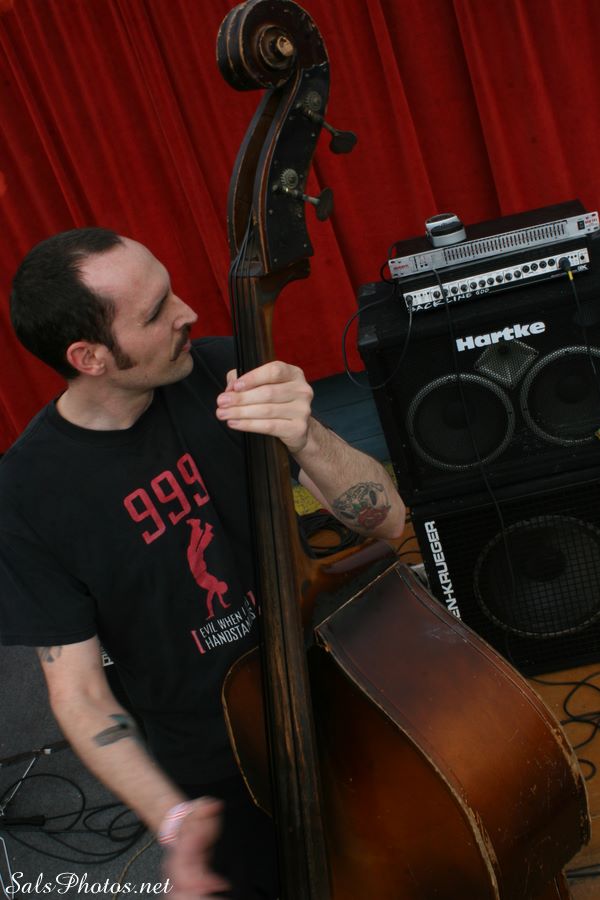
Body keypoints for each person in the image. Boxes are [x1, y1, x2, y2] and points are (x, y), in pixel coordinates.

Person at [0, 228, 406, 898]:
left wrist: (306, 435)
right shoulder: (27, 496)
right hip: (219, 762)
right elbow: (79, 693)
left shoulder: (224, 372)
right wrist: (172, 818)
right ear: (90, 356)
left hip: (343, 685)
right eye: (156, 312)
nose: (187, 312)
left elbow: (385, 520)